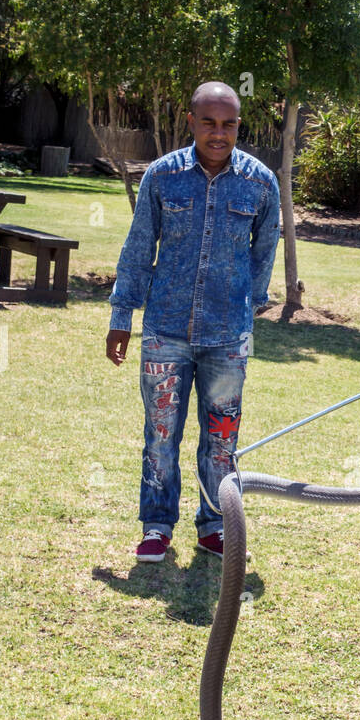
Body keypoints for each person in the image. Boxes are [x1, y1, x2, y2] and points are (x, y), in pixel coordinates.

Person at [105, 81, 280, 562]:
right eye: (208, 122)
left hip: (227, 339)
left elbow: (264, 252)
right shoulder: (162, 177)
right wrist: (122, 315)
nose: (218, 133)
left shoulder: (261, 182)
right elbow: (139, 248)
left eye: (228, 124)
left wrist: (250, 308)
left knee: (221, 441)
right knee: (160, 437)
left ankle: (213, 527)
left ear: (238, 126)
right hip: (165, 333)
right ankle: (156, 526)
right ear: (191, 122)